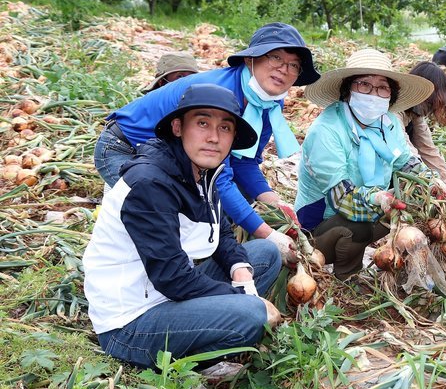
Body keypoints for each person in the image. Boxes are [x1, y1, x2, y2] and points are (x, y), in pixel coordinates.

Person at [83, 84, 282, 380]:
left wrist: (240, 270)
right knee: (251, 314)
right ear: (178, 127)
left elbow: (221, 232)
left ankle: (210, 339)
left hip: (163, 295)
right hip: (130, 322)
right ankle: (195, 366)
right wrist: (242, 297)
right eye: (202, 123)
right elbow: (173, 278)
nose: (214, 137)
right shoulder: (150, 183)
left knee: (264, 255)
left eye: (224, 128)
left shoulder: (201, 171)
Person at [96, 22, 321, 267]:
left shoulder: (270, 103)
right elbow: (219, 177)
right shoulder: (221, 93)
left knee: (228, 199)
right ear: (250, 60)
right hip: (125, 148)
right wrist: (266, 234)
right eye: (275, 57)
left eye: (293, 65)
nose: (283, 69)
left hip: (173, 156)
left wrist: (273, 201)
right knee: (156, 216)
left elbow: (245, 162)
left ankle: (206, 260)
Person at [295, 49, 438, 279]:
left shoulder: (388, 122)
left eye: (382, 87)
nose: (374, 93)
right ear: (347, 90)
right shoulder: (327, 130)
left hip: (368, 208)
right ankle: (347, 277)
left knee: (416, 204)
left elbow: (406, 163)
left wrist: (434, 182)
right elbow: (342, 199)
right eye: (364, 84)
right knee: (356, 227)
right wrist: (378, 198)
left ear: (390, 94)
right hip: (320, 225)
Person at [399, 61, 446, 200]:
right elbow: (403, 146)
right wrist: (429, 178)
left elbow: (427, 147)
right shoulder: (395, 109)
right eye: (429, 103)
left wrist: (445, 180)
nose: (428, 110)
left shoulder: (415, 111)